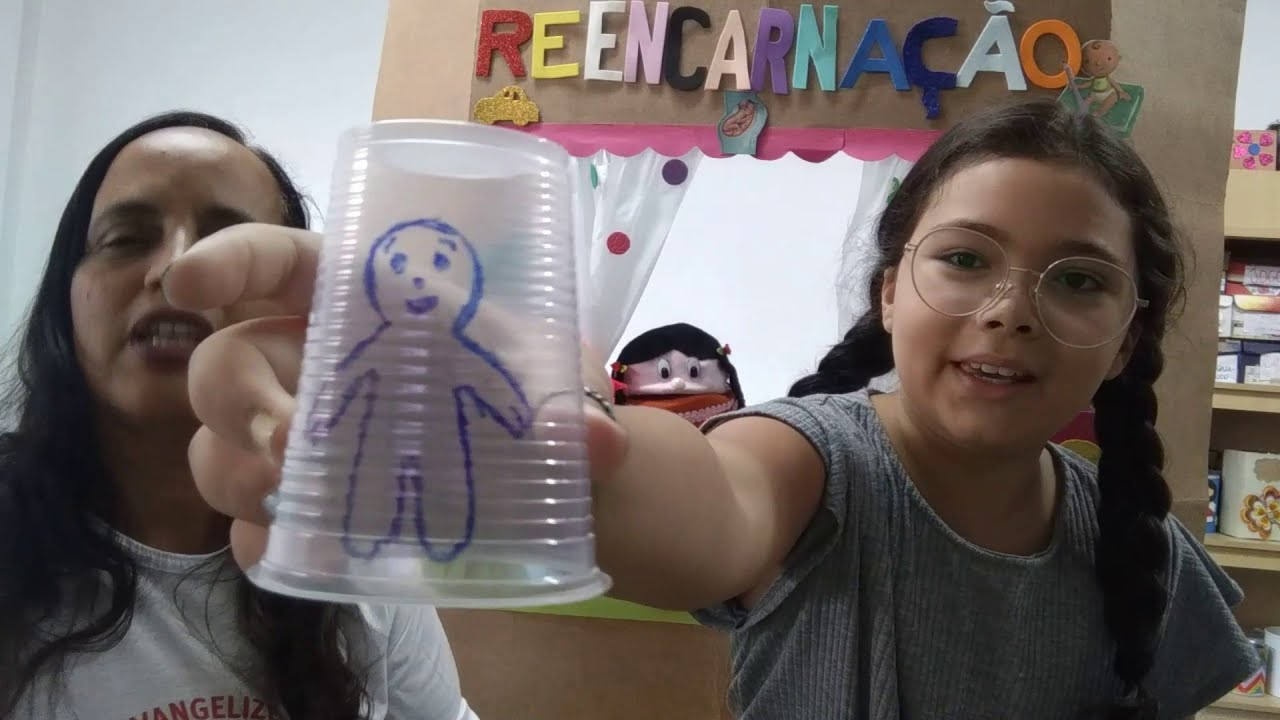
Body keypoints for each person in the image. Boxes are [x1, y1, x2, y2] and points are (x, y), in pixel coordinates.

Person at [174, 99, 1256, 719]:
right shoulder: (812, 463)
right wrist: (484, 389)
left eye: (1078, 279)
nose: (1010, 310)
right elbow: (696, 496)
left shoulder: (1138, 545)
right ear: (889, 293)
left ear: (1127, 337)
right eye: (965, 259)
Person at [0, 112, 475, 720]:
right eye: (126, 239)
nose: (175, 270)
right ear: (64, 299)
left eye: (231, 245)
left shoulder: (353, 546)